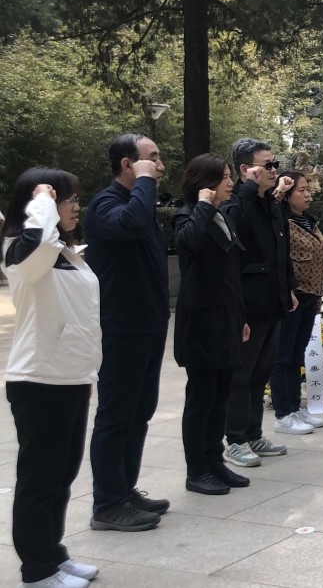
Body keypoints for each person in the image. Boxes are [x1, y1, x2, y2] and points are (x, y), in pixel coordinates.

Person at [3, 170, 103, 588]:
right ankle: (37, 570)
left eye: (75, 198)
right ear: (36, 204)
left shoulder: (65, 251)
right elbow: (37, 245)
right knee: (40, 481)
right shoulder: (20, 250)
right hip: (39, 380)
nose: (75, 205)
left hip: (71, 377)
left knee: (61, 477)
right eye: (66, 198)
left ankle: (53, 554)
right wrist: (42, 200)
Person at [83, 134, 170, 532]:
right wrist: (146, 181)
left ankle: (124, 490)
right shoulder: (106, 204)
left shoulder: (139, 202)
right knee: (116, 415)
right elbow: (131, 224)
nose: (160, 166)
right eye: (152, 159)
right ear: (126, 164)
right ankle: (107, 504)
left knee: (139, 413)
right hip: (121, 327)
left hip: (148, 324)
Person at [173, 154, 253, 496]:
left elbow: (231, 274)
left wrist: (241, 317)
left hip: (227, 318)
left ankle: (215, 461)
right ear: (204, 183)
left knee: (220, 396)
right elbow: (189, 242)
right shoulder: (187, 215)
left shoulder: (221, 216)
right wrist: (204, 206)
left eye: (229, 176)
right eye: (223, 178)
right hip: (202, 323)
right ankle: (197, 470)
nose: (230, 183)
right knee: (201, 399)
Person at [221, 138, 299, 468]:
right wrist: (249, 190)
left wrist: (288, 287)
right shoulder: (238, 201)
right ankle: (235, 439)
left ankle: (253, 433)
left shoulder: (270, 202)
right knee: (241, 374)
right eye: (267, 165)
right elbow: (232, 232)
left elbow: (281, 250)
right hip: (248, 303)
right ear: (245, 169)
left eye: (274, 164)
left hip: (272, 299)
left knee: (260, 372)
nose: (273, 170)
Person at [270, 170, 323, 435]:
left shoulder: (308, 221)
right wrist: (287, 290)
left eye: (308, 189)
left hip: (311, 295)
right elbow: (279, 260)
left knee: (297, 355)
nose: (308, 194)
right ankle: (283, 414)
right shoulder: (280, 221)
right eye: (301, 190)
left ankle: (294, 408)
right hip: (292, 296)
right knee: (282, 356)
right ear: (286, 195)